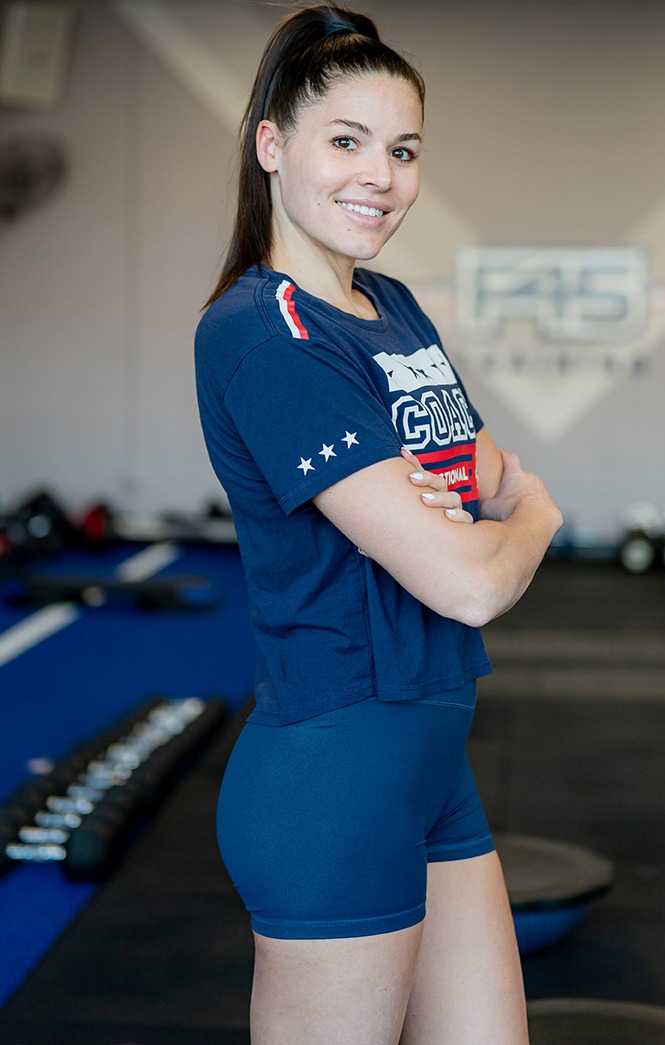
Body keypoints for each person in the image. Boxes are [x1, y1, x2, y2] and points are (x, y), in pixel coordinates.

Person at [194, 6, 562, 1043]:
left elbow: (487, 476)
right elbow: (470, 578)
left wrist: (487, 510)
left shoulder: (390, 306)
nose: (381, 176)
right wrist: (533, 518)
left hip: (433, 762)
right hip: (334, 776)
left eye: (402, 150)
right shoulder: (262, 334)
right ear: (273, 145)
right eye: (346, 141)